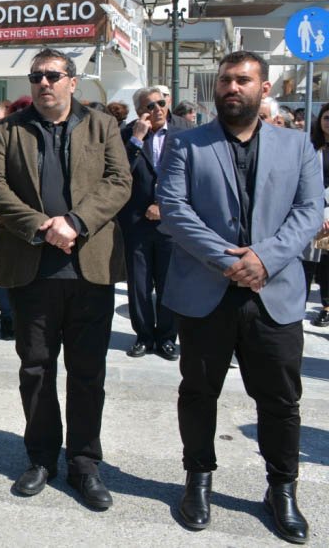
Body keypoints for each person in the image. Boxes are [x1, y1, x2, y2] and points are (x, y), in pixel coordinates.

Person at [157, 51, 321, 544]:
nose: (232, 87)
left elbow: (310, 210)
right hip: (207, 292)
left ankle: (282, 488)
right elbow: (174, 209)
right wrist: (229, 260)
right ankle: (198, 479)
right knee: (198, 393)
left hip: (273, 294)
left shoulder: (298, 147)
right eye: (225, 79)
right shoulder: (187, 145)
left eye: (243, 80)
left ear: (264, 89)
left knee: (279, 400)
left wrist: (264, 259)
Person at [0, 47, 131, 510]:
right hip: (33, 268)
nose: (44, 83)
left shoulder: (102, 125)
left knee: (87, 373)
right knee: (36, 368)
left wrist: (76, 223)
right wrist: (44, 226)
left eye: (52, 75)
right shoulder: (8, 129)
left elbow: (119, 181)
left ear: (72, 81)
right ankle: (42, 457)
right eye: (36, 76)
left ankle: (85, 464)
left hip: (90, 268)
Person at [119, 86, 181, 360]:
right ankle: (143, 335)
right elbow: (119, 174)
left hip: (171, 223)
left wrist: (164, 207)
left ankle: (167, 337)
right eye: (149, 106)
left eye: (160, 103)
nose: (156, 109)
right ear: (139, 111)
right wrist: (137, 140)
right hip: (136, 223)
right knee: (139, 284)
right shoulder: (127, 135)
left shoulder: (183, 134)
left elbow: (188, 179)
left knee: (169, 284)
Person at [305, 102, 329, 328]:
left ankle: (326, 307)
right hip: (316, 212)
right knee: (315, 263)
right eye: (326, 118)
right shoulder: (311, 148)